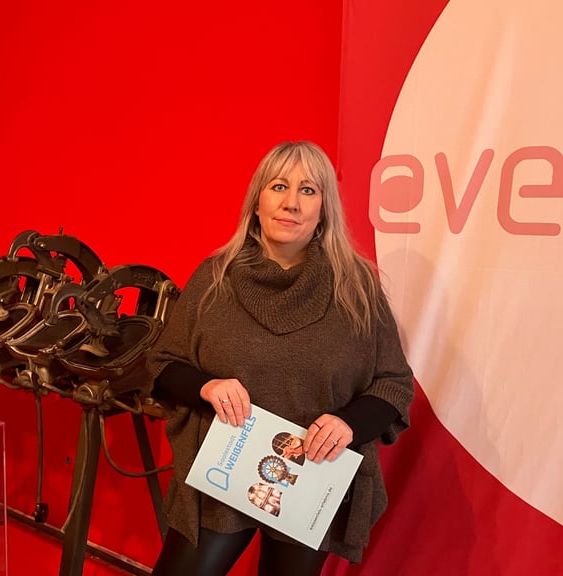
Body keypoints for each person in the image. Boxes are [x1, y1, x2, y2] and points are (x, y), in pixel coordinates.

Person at [148, 141, 414, 576]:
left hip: (311, 482)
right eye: (279, 186)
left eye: (308, 190)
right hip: (220, 480)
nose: (291, 202)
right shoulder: (215, 277)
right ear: (257, 202)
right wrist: (207, 386)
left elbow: (392, 383)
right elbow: (162, 366)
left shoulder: (357, 288)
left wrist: (349, 422)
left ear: (324, 209)